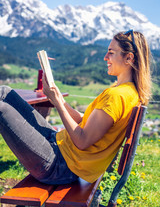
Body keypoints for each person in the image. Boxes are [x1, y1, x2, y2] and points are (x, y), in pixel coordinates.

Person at [0, 30, 152, 184]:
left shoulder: (117, 96)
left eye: (111, 53)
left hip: (60, 165)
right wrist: (58, 98)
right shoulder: (129, 92)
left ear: (129, 58)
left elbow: (82, 140)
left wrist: (58, 103)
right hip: (61, 148)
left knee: (2, 109)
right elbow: (83, 120)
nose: (105, 57)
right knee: (5, 92)